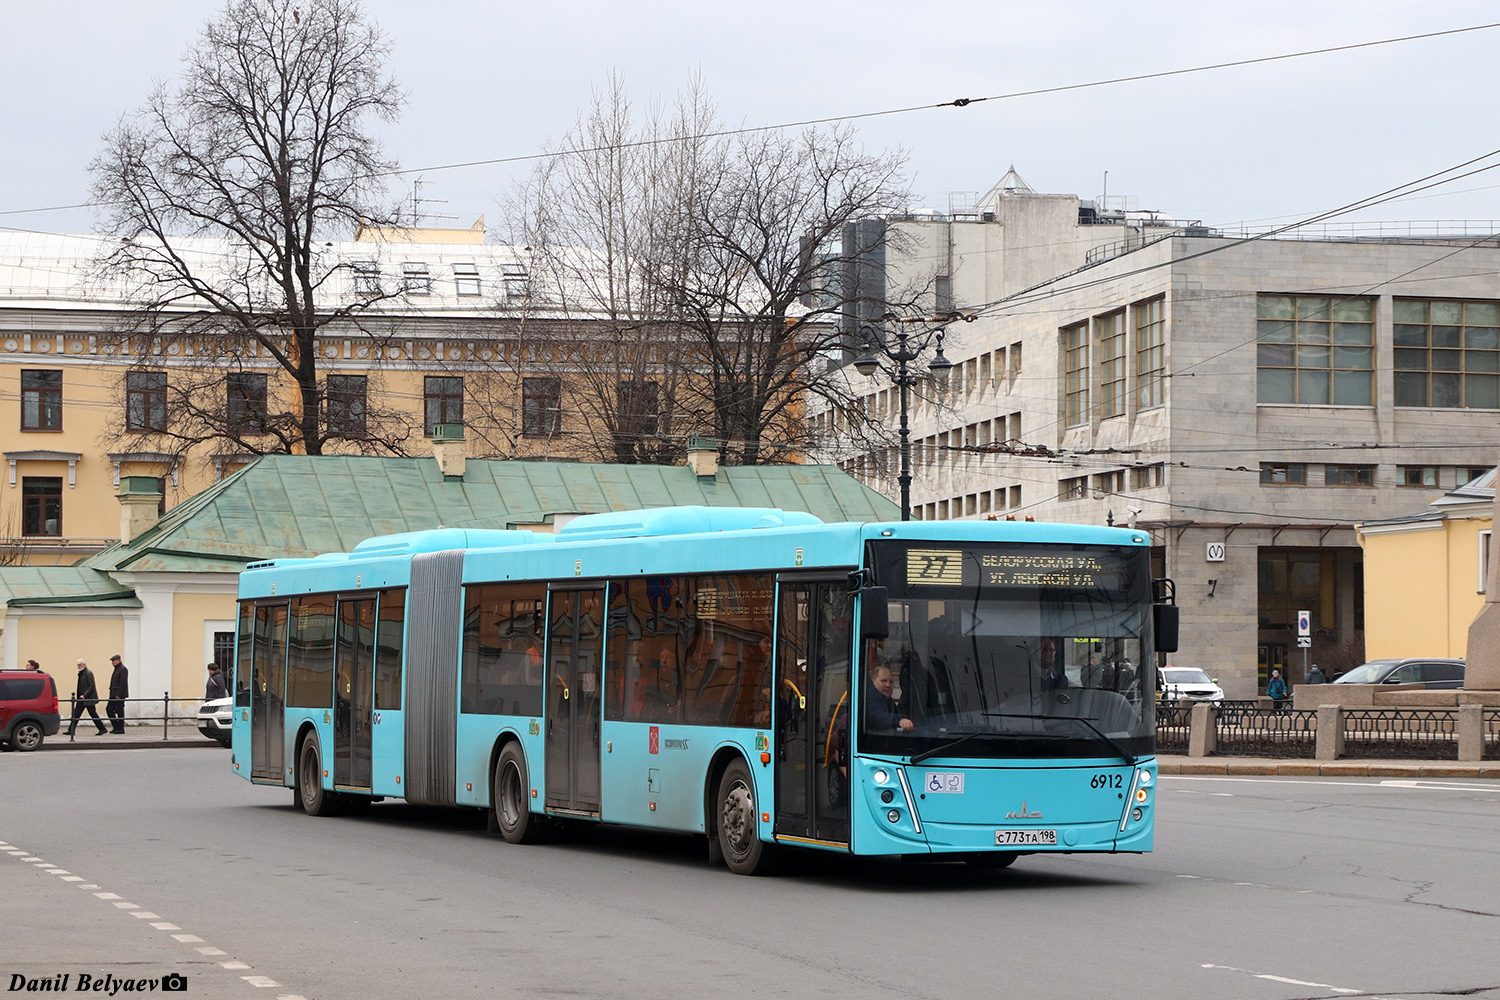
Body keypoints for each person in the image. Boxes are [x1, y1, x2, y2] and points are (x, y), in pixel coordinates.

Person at [66, 658, 107, 741]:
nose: (78, 666)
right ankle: (71, 730)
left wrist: (84, 695)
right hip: (82, 698)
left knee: (92, 714)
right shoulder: (82, 673)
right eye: (78, 665)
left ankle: (102, 729)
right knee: (76, 714)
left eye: (80, 665)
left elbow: (91, 686)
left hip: (87, 698)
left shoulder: (88, 673)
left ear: (84, 665)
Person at [866, 664, 914, 732]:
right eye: (883, 681)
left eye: (891, 682)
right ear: (873, 680)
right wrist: (899, 720)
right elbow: (874, 716)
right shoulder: (868, 697)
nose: (888, 685)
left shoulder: (888, 700)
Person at [106, 654, 129, 734]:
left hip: (119, 694)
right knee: (109, 709)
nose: (112, 663)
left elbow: (123, 683)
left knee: (119, 711)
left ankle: (120, 728)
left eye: (113, 661)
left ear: (118, 660)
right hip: (113, 694)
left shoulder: (123, 669)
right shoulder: (117, 669)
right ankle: (116, 726)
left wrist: (119, 694)